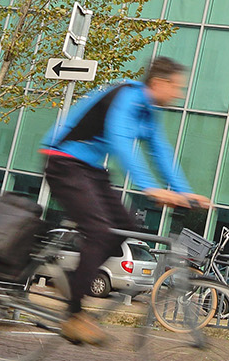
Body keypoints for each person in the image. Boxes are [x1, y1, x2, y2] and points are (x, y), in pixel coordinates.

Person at [40, 56, 210, 345]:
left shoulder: (149, 111)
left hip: (89, 169)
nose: (179, 94)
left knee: (124, 225)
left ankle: (71, 281)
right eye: (176, 87)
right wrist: (150, 188)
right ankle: (74, 316)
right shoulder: (127, 97)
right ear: (158, 83)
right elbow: (120, 142)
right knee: (100, 232)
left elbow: (160, 151)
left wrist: (184, 191)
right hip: (63, 162)